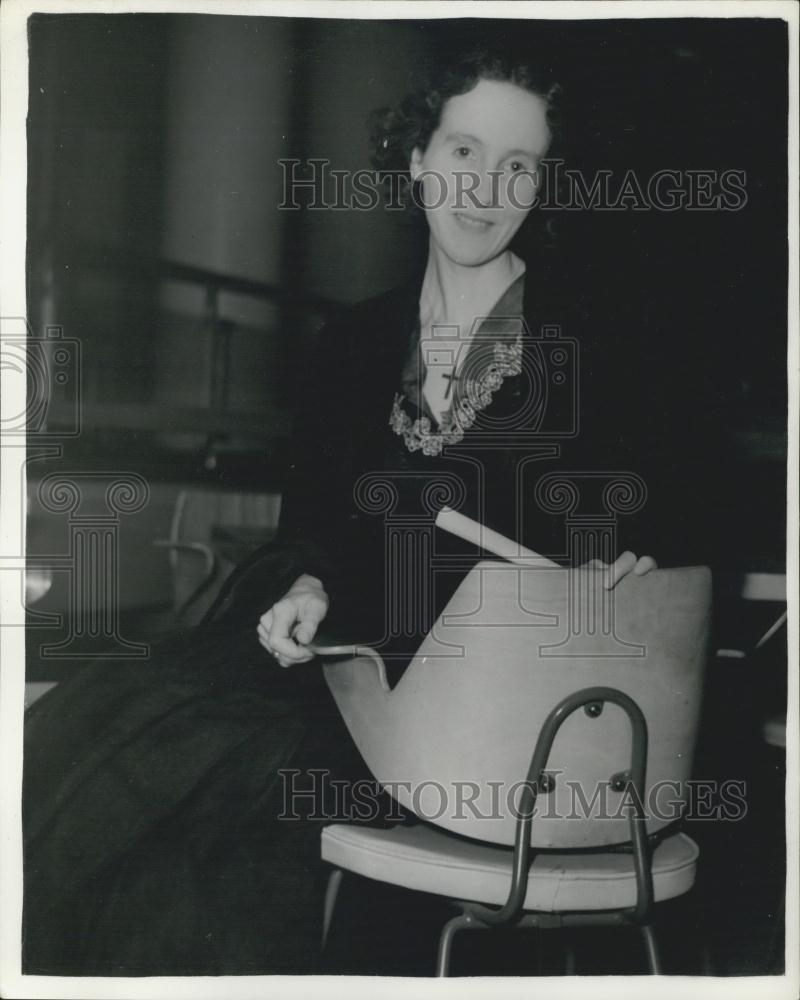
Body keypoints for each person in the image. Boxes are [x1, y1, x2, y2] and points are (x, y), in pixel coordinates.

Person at [23, 48, 658, 977]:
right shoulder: (353, 343)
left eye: (518, 165)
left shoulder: (595, 347)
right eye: (464, 152)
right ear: (417, 160)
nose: (484, 188)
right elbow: (309, 530)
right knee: (101, 713)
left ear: (543, 184)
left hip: (503, 727)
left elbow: (656, 534)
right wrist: (309, 583)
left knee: (235, 763)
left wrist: (631, 566)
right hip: (351, 676)